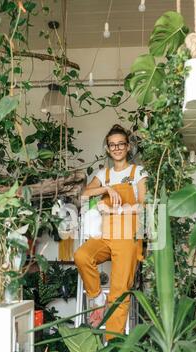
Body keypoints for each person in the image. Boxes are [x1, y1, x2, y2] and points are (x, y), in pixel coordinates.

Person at [74, 124, 148, 340]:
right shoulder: (103, 174)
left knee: (118, 291)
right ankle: (96, 297)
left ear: (127, 147)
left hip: (128, 237)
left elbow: (144, 203)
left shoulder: (138, 172)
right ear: (107, 148)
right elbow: (84, 195)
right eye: (112, 145)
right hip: (105, 235)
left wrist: (126, 208)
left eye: (120, 144)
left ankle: (113, 344)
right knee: (82, 255)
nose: (116, 148)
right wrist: (107, 189)